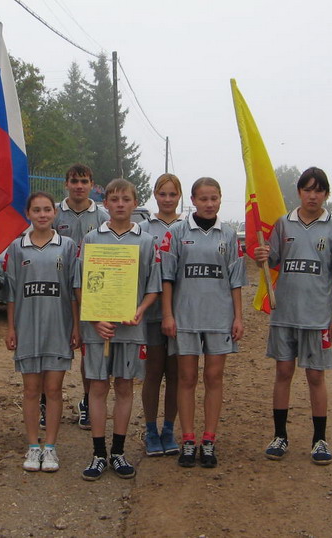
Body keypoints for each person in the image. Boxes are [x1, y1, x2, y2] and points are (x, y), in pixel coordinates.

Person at [254, 167, 332, 465]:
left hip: (317, 319)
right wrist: (260, 255)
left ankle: (319, 439)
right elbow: (272, 260)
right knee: (283, 373)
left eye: (319, 190)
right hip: (284, 315)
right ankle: (280, 436)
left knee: (315, 376)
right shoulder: (282, 225)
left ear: (326, 194)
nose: (312, 195)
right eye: (307, 189)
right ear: (299, 192)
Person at [76, 178, 161, 481]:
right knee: (98, 388)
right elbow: (80, 285)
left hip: (130, 329)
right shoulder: (92, 239)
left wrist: (140, 310)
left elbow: (153, 285)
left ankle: (119, 451)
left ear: (134, 203)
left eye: (126, 199)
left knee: (124, 388)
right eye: (114, 199)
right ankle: (98, 453)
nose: (120, 204)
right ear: (106, 203)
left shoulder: (146, 241)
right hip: (98, 330)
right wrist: (94, 318)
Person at [161, 177, 246, 469]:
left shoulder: (230, 235)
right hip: (185, 317)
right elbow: (167, 277)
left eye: (214, 198)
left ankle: (208, 440)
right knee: (186, 378)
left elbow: (235, 280)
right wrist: (168, 315)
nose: (209, 204)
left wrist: (238, 316)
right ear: (193, 201)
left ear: (221, 199)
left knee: (213, 377)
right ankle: (187, 439)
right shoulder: (177, 232)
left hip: (219, 318)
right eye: (203, 199)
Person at [4, 192, 80, 472]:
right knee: (31, 390)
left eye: (47, 209)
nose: (42, 214)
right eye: (36, 210)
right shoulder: (16, 248)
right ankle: (33, 446)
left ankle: (50, 447)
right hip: (28, 328)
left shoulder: (68, 246)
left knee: (54, 389)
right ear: (28, 214)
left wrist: (75, 326)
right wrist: (11, 327)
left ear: (55, 213)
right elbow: (11, 293)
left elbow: (73, 291)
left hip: (57, 328)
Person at [53, 163, 109, 431]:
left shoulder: (102, 216)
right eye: (74, 180)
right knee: (54, 348)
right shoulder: (52, 212)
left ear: (92, 185)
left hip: (90, 293)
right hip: (57, 291)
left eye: (84, 181)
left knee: (88, 350)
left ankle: (87, 400)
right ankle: (46, 400)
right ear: (66, 183)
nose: (79, 185)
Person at [139, 173, 183, 457]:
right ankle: (151, 429)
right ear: (155, 195)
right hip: (152, 313)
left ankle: (169, 429)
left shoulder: (187, 227)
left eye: (172, 194)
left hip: (183, 313)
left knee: (177, 375)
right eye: (162, 194)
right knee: (153, 373)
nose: (167, 199)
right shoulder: (141, 229)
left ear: (179, 197)